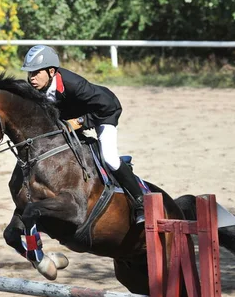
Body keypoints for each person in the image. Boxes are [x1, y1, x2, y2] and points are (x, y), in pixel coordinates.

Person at [21, 45, 145, 224]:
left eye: (35, 73)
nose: (31, 78)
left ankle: (140, 202)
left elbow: (107, 106)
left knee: (109, 157)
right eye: (29, 73)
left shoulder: (74, 84)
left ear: (50, 71)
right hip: (72, 118)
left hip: (104, 112)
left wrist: (79, 122)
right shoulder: (37, 87)